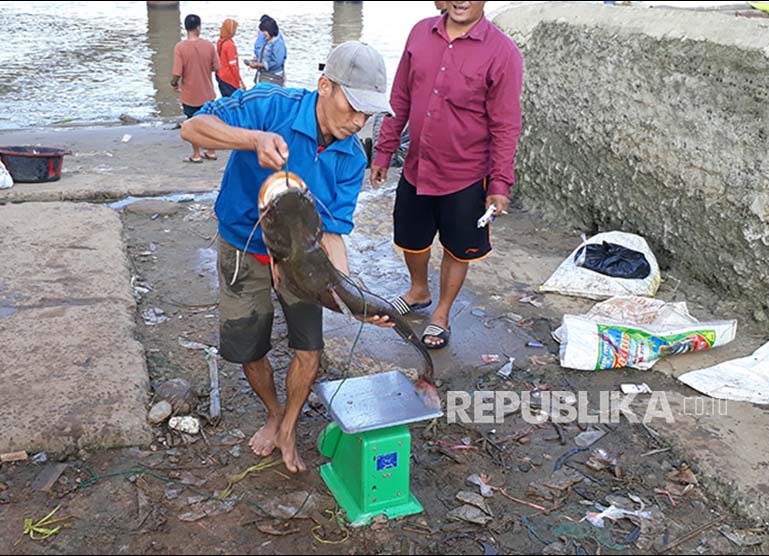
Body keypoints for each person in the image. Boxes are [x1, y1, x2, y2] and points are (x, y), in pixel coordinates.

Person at [181, 41, 395, 473]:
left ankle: (288, 426)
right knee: (248, 347)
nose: (359, 122)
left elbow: (333, 232)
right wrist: (252, 138)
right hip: (244, 244)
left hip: (302, 256)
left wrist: (351, 297)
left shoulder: (352, 157)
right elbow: (193, 128)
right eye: (353, 106)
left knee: (309, 349)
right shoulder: (269, 103)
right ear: (324, 86)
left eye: (368, 114)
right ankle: (272, 411)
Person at [370, 1, 523, 350]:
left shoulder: (503, 53)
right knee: (411, 239)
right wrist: (385, 149)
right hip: (417, 166)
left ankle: (441, 311)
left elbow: (506, 124)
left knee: (458, 248)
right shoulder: (419, 33)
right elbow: (400, 97)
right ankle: (418, 289)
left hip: (466, 174)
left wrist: (499, 183)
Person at [172, 14, 220, 163]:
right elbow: (216, 67)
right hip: (207, 92)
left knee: (193, 124)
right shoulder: (209, 46)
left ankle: (196, 154)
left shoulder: (180, 47)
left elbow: (177, 73)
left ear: (186, 28)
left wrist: (174, 83)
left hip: (190, 95)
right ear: (198, 27)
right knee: (210, 123)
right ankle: (211, 151)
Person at [249, 18, 287, 86]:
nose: (263, 34)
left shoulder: (278, 44)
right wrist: (257, 60)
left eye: (264, 31)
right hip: (263, 75)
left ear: (270, 30)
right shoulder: (266, 40)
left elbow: (277, 63)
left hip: (273, 77)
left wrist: (259, 65)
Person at [216, 19, 245, 97]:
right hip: (229, 79)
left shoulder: (220, 41)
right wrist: (239, 81)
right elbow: (233, 66)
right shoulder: (230, 45)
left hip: (220, 75)